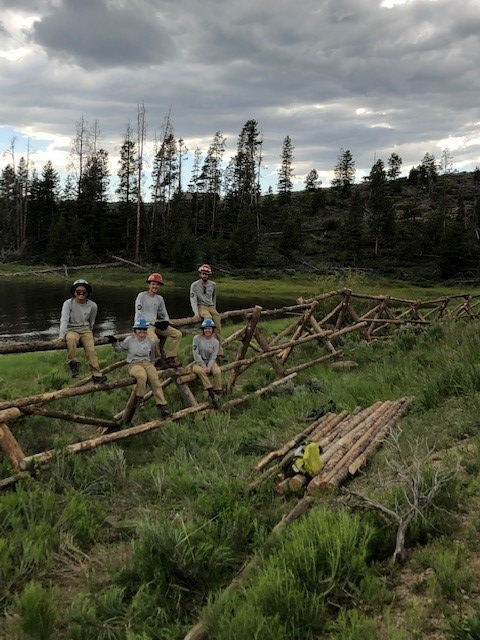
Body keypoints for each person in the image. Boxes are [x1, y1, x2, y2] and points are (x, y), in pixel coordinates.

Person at [108, 318, 170, 420]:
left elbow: (152, 356)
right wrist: (114, 342)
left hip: (147, 363)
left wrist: (152, 365)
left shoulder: (151, 341)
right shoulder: (129, 340)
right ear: (135, 330)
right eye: (139, 329)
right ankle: (140, 399)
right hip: (134, 363)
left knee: (155, 380)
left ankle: (162, 406)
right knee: (142, 376)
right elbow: (119, 349)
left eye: (144, 329)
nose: (142, 331)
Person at [56, 278, 107, 383]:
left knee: (91, 350)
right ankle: (73, 363)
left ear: (87, 292)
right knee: (71, 339)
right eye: (78, 292)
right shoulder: (68, 303)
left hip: (85, 329)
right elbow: (64, 319)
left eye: (83, 292)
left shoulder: (93, 305)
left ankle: (97, 374)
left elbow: (92, 321)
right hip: (71, 329)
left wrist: (90, 333)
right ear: (74, 292)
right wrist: (61, 336)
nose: (81, 294)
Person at [134, 273, 182, 368]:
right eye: (153, 284)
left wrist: (166, 321)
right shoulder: (142, 296)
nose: (155, 286)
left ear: (159, 286)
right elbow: (139, 313)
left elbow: (163, 312)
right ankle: (158, 360)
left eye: (157, 284)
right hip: (144, 325)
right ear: (149, 285)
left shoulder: (159, 298)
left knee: (177, 334)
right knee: (155, 340)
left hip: (155, 323)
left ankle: (170, 358)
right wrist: (153, 322)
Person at [189, 263, 226, 361]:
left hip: (211, 306)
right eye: (203, 273)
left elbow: (214, 298)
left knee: (217, 326)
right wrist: (196, 313)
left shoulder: (213, 285)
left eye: (206, 274)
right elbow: (193, 299)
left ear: (209, 275)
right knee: (208, 319)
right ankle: (205, 348)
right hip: (202, 306)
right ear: (200, 274)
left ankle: (219, 353)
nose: (204, 275)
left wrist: (215, 309)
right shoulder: (194, 285)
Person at [191, 318, 222, 409]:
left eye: (209, 328)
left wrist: (209, 367)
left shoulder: (215, 342)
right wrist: (203, 366)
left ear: (212, 329)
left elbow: (213, 356)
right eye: (205, 329)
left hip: (210, 361)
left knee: (217, 371)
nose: (207, 330)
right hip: (198, 362)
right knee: (200, 371)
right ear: (203, 330)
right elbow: (195, 353)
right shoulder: (197, 338)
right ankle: (210, 390)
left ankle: (217, 391)